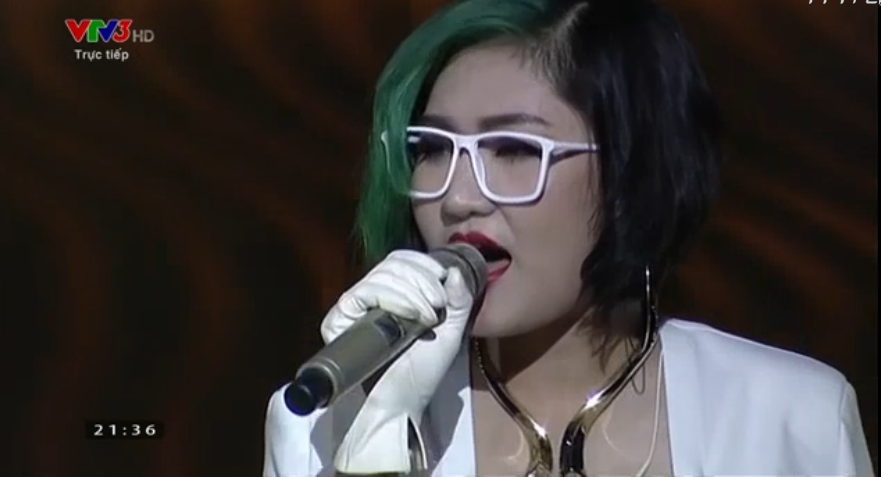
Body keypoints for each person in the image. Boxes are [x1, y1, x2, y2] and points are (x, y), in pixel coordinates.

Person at [263, 0, 874, 475]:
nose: (458, 198)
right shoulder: (321, 424)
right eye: (432, 149)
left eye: (514, 149)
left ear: (635, 171)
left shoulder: (794, 418)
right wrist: (374, 444)